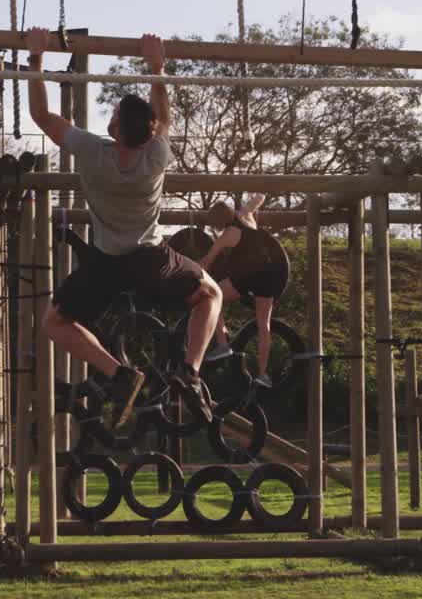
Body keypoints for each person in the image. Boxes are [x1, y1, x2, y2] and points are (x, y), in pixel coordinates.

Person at [25, 27, 222, 429]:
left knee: (53, 323)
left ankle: (120, 374)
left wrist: (36, 57)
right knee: (211, 294)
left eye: (114, 115)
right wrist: (156, 66)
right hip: (149, 259)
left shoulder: (92, 151)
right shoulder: (156, 156)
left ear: (115, 131)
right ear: (147, 134)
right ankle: (190, 372)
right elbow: (163, 116)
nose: (111, 118)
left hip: (106, 262)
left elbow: (42, 116)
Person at [200, 194, 289, 387]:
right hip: (270, 275)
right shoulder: (245, 216)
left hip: (252, 277)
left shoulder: (226, 236)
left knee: (210, 296)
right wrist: (246, 209)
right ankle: (263, 374)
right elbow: (261, 196)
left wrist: (187, 266)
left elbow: (206, 262)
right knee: (264, 325)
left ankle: (223, 343)